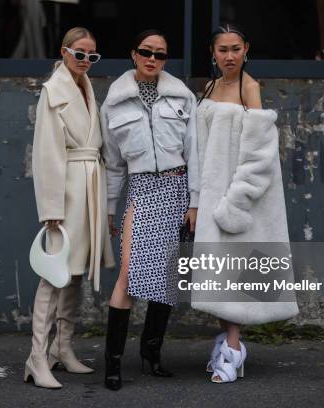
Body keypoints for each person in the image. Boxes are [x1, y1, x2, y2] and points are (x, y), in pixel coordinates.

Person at [193, 23, 298, 384]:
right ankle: (227, 341)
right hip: (210, 197)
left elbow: (259, 156)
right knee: (215, 276)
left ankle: (233, 350)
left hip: (238, 200)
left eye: (235, 48)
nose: (229, 56)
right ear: (213, 52)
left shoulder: (249, 88)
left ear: (246, 49)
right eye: (223, 49)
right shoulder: (209, 86)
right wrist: (196, 200)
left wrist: (235, 202)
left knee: (232, 278)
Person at [101, 29, 199, 391]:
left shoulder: (182, 97)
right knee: (128, 276)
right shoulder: (114, 103)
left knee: (167, 277)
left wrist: (195, 201)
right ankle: (112, 365)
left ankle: (151, 355)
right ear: (133, 54)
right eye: (146, 51)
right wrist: (110, 209)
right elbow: (112, 163)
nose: (152, 59)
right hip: (141, 190)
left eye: (160, 54)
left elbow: (195, 154)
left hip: (176, 188)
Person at [25, 26, 115, 389]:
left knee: (74, 272)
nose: (85, 61)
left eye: (91, 56)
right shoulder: (54, 91)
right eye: (79, 54)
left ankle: (62, 348)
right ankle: (36, 356)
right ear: (64, 52)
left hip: (89, 185)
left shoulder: (86, 88)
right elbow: (46, 152)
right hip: (67, 193)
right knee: (53, 274)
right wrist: (51, 207)